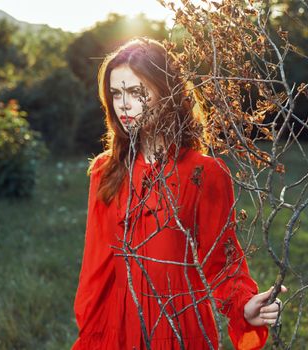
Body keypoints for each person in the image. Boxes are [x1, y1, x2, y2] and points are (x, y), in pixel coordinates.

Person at [72, 37, 285, 350]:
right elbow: (96, 263)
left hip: (177, 323)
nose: (124, 104)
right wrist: (93, 328)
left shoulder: (204, 172)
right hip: (116, 322)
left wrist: (243, 306)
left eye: (136, 91)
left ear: (166, 91)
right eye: (116, 94)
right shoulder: (106, 170)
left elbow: (222, 258)